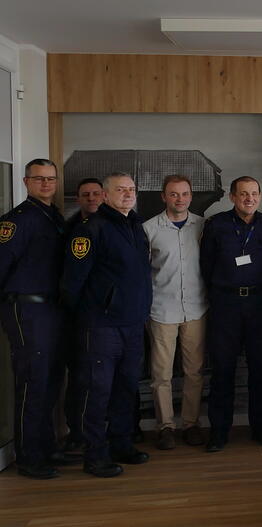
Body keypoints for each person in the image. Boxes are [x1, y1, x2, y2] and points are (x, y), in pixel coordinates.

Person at [62, 171, 152, 478]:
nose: (127, 194)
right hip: (101, 326)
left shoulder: (136, 226)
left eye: (131, 189)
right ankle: (95, 455)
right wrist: (89, 317)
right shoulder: (91, 229)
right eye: (120, 189)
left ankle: (121, 445)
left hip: (132, 324)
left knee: (126, 388)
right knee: (97, 391)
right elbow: (73, 281)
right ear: (105, 194)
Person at [200, 176, 262, 452]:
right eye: (243, 194)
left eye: (254, 193)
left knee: (261, 368)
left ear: (260, 196)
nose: (249, 198)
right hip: (226, 304)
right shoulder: (216, 225)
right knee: (223, 369)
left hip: (260, 303)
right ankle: (219, 432)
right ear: (232, 197)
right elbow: (206, 266)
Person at [0, 159, 67, 479]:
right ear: (26, 182)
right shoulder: (17, 220)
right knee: (33, 381)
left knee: (51, 380)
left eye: (50, 178)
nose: (46, 184)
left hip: (51, 309)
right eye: (39, 179)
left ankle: (47, 446)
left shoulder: (53, 216)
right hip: (26, 309)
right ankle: (28, 456)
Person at [142, 175, 208, 450]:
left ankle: (190, 424)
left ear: (191, 196)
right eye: (174, 194)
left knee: (194, 372)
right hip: (161, 310)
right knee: (162, 374)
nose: (180, 199)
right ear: (164, 196)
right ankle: (166, 427)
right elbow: (142, 272)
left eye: (184, 194)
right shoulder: (149, 229)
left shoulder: (203, 227)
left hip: (196, 308)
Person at [60, 177, 104, 454]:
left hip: (109, 315)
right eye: (85, 195)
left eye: (96, 194)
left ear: (104, 196)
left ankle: (119, 431)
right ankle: (77, 433)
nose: (91, 199)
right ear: (78, 199)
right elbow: (69, 278)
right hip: (80, 315)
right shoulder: (69, 229)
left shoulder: (118, 226)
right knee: (80, 376)